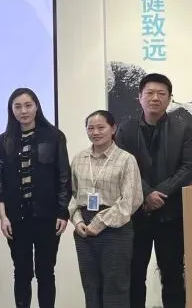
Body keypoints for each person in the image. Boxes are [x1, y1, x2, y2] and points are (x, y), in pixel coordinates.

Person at [114, 73, 192, 308]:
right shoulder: (125, 130)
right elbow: (122, 167)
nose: (155, 98)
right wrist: (146, 193)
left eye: (161, 93)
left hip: (170, 214)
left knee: (172, 275)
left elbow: (188, 166)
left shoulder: (182, 129)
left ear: (169, 98)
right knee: (134, 275)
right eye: (149, 93)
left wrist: (160, 193)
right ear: (139, 97)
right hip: (135, 215)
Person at [0, 88, 71, 308]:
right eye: (17, 106)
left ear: (36, 106)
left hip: (47, 216)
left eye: (28, 105)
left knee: (46, 271)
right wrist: (3, 217)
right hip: (17, 218)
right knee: (22, 271)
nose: (23, 111)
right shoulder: (3, 141)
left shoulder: (54, 136)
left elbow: (63, 176)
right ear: (11, 110)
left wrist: (62, 212)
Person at [69, 110, 143, 308]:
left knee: (115, 287)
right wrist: (77, 221)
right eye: (90, 128)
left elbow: (131, 199)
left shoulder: (126, 159)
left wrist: (100, 222)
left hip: (115, 228)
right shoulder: (79, 159)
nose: (95, 132)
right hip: (84, 230)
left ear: (113, 128)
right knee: (90, 286)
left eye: (101, 127)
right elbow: (71, 195)